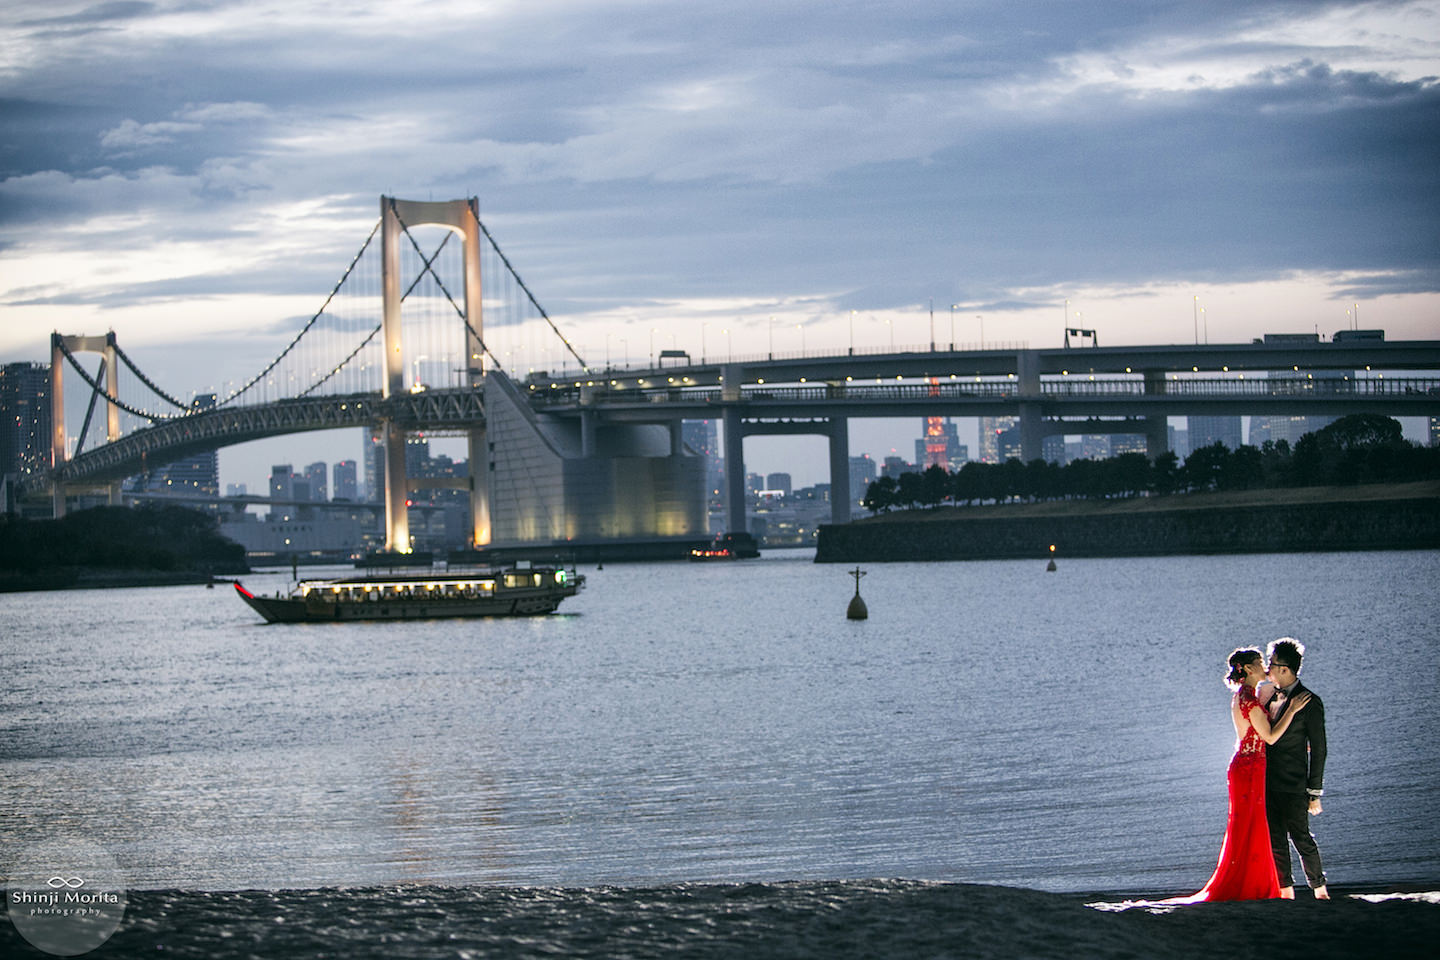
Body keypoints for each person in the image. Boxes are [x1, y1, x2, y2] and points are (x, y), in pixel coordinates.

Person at [1170, 647, 1311, 903]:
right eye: (1259, 663)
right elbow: (1268, 736)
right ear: (1247, 668)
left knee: (1249, 827)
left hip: (1248, 766)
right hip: (1250, 767)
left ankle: (1255, 882)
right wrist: (1291, 711)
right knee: (1252, 826)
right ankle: (1253, 885)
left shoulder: (1245, 696)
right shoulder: (1249, 699)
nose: (1264, 668)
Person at [1265, 637, 1329, 900]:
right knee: (1276, 841)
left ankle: (1320, 890)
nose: (1268, 669)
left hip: (1294, 785)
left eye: (1271, 664)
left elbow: (1319, 749)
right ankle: (1286, 892)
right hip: (1268, 783)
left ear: (1284, 669)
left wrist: (1314, 792)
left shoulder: (1310, 701)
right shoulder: (1269, 697)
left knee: (1302, 838)